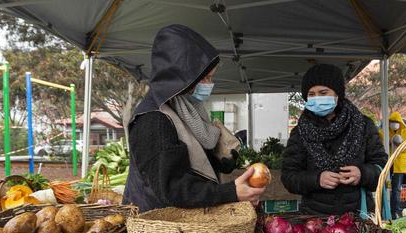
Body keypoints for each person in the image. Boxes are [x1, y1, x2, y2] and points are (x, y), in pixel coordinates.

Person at [123, 24, 264, 212]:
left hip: (184, 224)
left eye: (211, 78)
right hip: (158, 227)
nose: (209, 84)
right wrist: (230, 193)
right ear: (180, 77)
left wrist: (222, 159)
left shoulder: (188, 110)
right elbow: (172, 188)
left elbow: (191, 161)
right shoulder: (153, 119)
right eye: (204, 78)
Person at [281, 64, 388, 216]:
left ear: (337, 94)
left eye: (323, 92)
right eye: (311, 94)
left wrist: (362, 174)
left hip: (360, 216)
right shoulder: (300, 132)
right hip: (315, 218)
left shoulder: (363, 125)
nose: (317, 98)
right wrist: (317, 179)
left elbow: (382, 167)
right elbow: (289, 176)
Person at [381, 112, 406, 219]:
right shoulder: (383, 133)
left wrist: (401, 145)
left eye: (396, 122)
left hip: (399, 165)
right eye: (392, 122)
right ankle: (384, 209)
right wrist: (389, 142)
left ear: (400, 122)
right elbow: (379, 144)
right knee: (384, 188)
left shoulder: (405, 132)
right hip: (387, 164)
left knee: (396, 189)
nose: (394, 124)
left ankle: (395, 210)